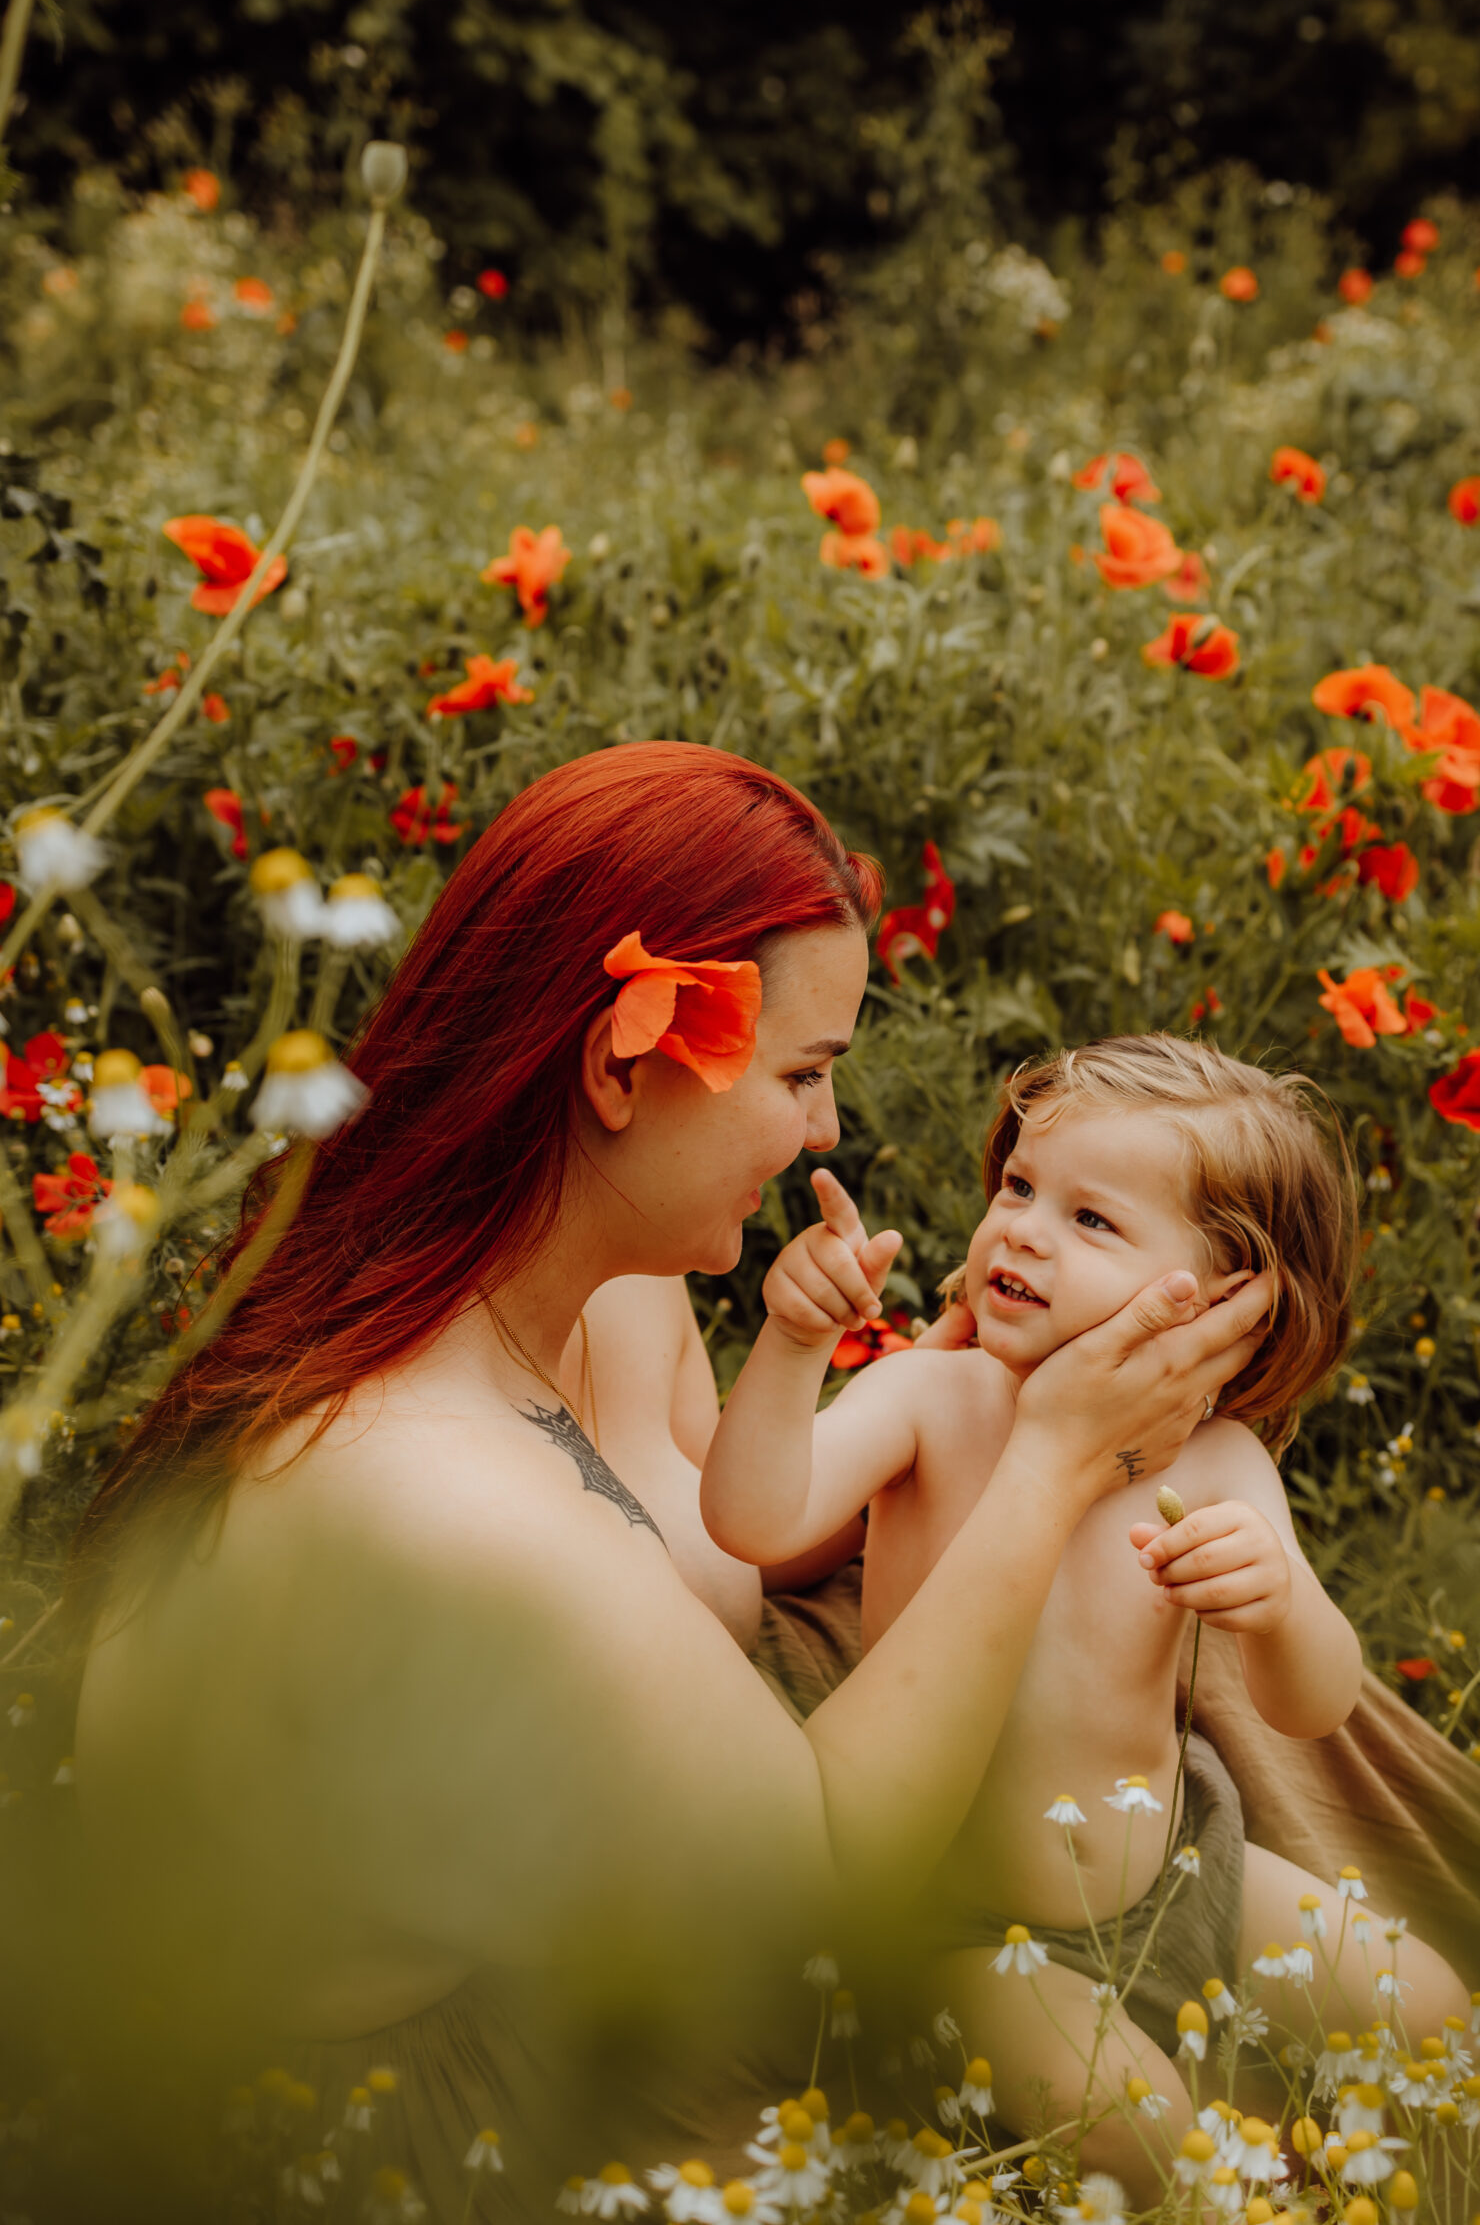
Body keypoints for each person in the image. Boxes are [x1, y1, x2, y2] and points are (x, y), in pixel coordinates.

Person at [67, 747, 1274, 2221]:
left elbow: (749, 1532)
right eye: (802, 1075)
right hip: (417, 2125)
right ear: (619, 1065)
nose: (823, 1130)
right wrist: (1049, 1461)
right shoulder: (425, 1482)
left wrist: (957, 1397)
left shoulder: (586, 1295)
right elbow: (816, 1891)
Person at [700, 1033, 1472, 2192]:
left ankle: (1322, 2129)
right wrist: (795, 1342)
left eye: (1092, 1220)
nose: (1020, 1227)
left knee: (1433, 2008)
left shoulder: (1216, 1458)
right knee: (1133, 2125)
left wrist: (1281, 1602)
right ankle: (1237, 2166)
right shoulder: (935, 1396)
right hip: (971, 1933)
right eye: (1018, 1185)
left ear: (1219, 1305)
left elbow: (1308, 1707)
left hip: (1181, 1876)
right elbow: (752, 1520)